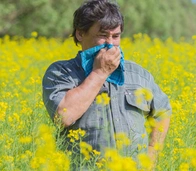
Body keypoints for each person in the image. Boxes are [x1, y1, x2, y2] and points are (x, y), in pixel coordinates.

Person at [42, 0, 172, 168]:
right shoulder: (61, 73)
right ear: (80, 34)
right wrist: (100, 72)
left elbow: (163, 112)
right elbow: (64, 116)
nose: (110, 43)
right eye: (102, 35)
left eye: (116, 36)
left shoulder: (138, 74)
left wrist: (152, 153)